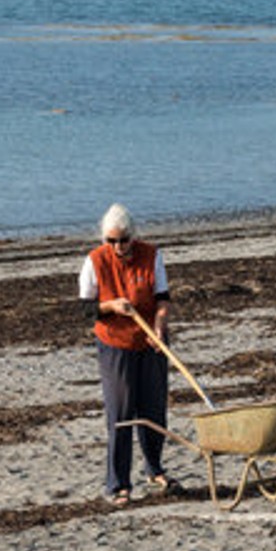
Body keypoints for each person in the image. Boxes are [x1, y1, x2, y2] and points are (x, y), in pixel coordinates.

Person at [77, 203, 182, 505]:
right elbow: (85, 310)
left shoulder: (152, 255)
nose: (118, 246)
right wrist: (110, 306)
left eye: (123, 240)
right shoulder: (95, 261)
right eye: (111, 241)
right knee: (121, 413)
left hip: (151, 341)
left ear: (133, 237)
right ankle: (118, 483)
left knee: (153, 407)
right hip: (115, 344)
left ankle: (155, 470)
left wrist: (160, 328)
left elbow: (162, 299)